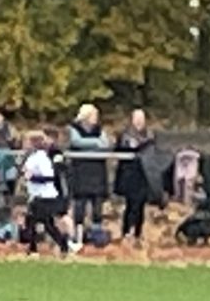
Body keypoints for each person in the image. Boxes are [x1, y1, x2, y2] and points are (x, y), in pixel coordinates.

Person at [65, 104, 110, 246]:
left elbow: (106, 144)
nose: (96, 118)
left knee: (97, 206)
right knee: (80, 205)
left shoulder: (100, 130)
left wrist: (93, 145)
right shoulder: (74, 129)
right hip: (80, 172)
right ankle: (77, 236)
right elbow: (77, 141)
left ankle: (97, 236)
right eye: (93, 115)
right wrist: (96, 143)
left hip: (97, 172)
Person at [113, 108, 159, 246]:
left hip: (144, 175)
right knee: (130, 205)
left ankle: (138, 233)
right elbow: (124, 149)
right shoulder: (125, 135)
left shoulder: (150, 135)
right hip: (129, 176)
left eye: (141, 119)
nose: (139, 122)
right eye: (136, 118)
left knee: (141, 206)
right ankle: (126, 232)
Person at [20, 132, 69, 255]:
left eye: (26, 142)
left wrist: (32, 178)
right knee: (43, 223)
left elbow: (49, 177)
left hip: (45, 196)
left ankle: (35, 249)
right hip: (37, 195)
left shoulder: (41, 158)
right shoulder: (32, 157)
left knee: (38, 222)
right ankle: (61, 246)